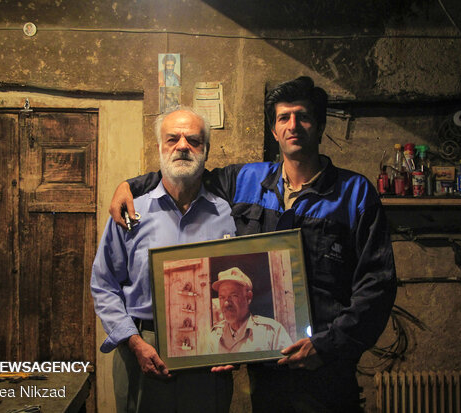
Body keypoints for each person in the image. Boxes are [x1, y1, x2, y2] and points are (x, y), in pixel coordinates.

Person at [110, 76, 397, 413]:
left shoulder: (355, 193)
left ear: (319, 126)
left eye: (303, 116)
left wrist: (328, 347)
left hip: (327, 370)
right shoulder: (245, 181)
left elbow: (377, 286)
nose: (293, 125)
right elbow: (186, 170)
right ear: (274, 131)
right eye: (283, 118)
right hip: (267, 374)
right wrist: (130, 185)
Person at [91, 107, 236, 413]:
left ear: (206, 151)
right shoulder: (129, 213)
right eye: (172, 139)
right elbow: (104, 285)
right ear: (159, 147)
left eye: (194, 140)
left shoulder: (229, 215)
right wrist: (133, 341)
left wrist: (238, 346)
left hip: (210, 356)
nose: (183, 146)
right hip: (143, 351)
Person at [207, 267, 293, 354]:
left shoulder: (271, 332)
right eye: (222, 297)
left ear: (248, 297)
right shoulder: (214, 336)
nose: (226, 304)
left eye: (233, 296)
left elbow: (288, 364)